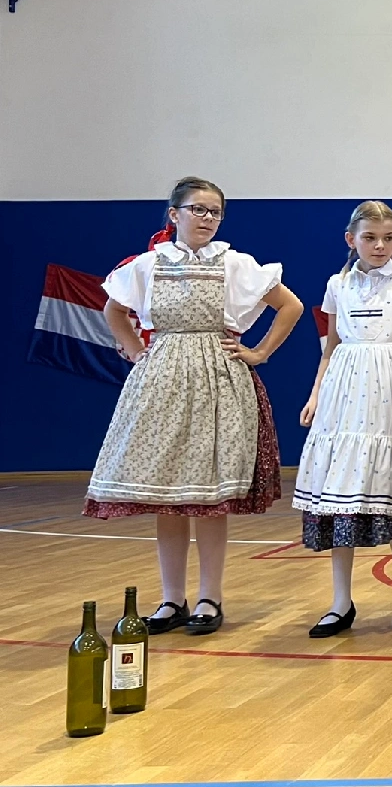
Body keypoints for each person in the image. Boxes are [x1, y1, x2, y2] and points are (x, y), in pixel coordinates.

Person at [85, 177, 303, 636]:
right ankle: (171, 598)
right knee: (168, 498)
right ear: (174, 214)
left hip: (217, 381)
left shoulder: (234, 263)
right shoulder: (150, 264)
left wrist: (259, 353)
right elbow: (113, 310)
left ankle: (209, 597)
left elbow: (291, 306)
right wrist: (135, 351)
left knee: (209, 497)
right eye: (197, 209)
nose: (207, 218)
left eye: (214, 212)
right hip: (162, 380)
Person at [295, 201, 392, 637]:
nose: (379, 246)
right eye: (370, 237)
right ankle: (340, 600)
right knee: (340, 493)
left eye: (388, 238)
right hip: (344, 394)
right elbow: (331, 347)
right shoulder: (336, 285)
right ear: (351, 239)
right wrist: (316, 394)